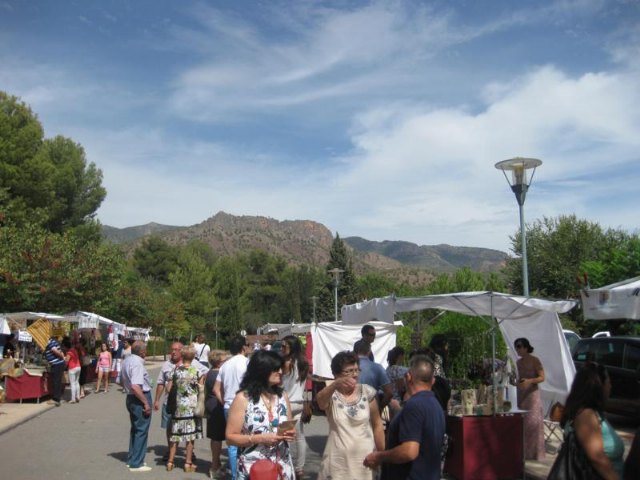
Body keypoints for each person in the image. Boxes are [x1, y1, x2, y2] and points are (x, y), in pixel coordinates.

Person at [364, 354, 446, 480]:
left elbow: (409, 451)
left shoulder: (414, 406)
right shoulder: (436, 404)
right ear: (433, 380)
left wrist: (380, 456)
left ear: (408, 377)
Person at [226, 350, 296, 480]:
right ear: (262, 370)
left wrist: (290, 434)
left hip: (282, 468)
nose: (280, 372)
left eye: (280, 368)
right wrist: (260, 438)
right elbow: (230, 437)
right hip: (254, 469)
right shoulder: (243, 398)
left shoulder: (282, 396)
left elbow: (289, 426)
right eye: (275, 369)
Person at [317, 350, 385, 480]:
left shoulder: (366, 392)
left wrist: (381, 454)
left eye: (356, 370)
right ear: (336, 374)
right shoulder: (330, 392)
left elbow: (377, 425)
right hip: (337, 461)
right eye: (348, 371)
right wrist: (335, 384)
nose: (354, 374)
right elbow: (320, 402)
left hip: (365, 459)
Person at [560, 362, 624, 479]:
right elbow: (597, 458)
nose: (610, 386)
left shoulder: (591, 413)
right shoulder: (586, 415)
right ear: (599, 386)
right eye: (608, 382)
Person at [154, 340, 208, 463]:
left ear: (182, 353)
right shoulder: (168, 365)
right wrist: (157, 400)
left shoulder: (181, 369)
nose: (173, 352)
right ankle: (185, 459)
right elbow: (161, 383)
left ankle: (172, 460)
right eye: (172, 349)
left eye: (176, 350)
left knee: (177, 429)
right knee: (178, 430)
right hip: (177, 404)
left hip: (179, 405)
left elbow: (168, 388)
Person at [213, 335, 249, 480]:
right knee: (247, 441)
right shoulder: (247, 363)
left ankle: (235, 475)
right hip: (245, 405)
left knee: (232, 444)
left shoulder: (225, 365)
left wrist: (224, 401)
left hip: (228, 406)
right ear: (243, 347)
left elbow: (216, 389)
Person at [165, 345, 205, 473]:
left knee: (175, 435)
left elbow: (168, 388)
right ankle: (188, 463)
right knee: (190, 437)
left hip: (178, 407)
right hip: (191, 407)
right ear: (193, 357)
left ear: (182, 356)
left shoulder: (175, 371)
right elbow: (201, 390)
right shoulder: (197, 372)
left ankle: (170, 462)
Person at [121, 340, 153, 472]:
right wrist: (145, 402)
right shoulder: (137, 363)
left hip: (130, 397)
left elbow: (120, 380)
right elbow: (135, 386)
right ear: (143, 352)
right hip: (139, 397)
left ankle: (132, 458)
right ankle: (137, 463)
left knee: (135, 429)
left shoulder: (127, 361)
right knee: (141, 430)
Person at [281, 335, 311, 479]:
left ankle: (284, 464)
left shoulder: (286, 363)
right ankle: (300, 468)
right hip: (299, 403)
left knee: (284, 436)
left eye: (284, 346)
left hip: (287, 404)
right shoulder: (303, 362)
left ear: (291, 347)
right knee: (299, 437)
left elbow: (280, 384)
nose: (281, 349)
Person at [514, 337, 545, 460]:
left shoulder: (535, 360)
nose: (517, 349)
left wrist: (530, 381)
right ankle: (523, 452)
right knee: (523, 423)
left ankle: (534, 453)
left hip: (532, 395)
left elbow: (542, 377)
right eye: (516, 347)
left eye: (519, 347)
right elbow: (519, 378)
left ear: (526, 348)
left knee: (533, 422)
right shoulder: (518, 362)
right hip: (521, 394)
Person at [205, 350, 230, 479]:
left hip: (211, 404)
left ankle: (216, 463)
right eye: (225, 360)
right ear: (219, 362)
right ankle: (214, 466)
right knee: (217, 438)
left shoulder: (210, 372)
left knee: (215, 437)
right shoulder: (217, 374)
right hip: (217, 405)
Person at [354, 339, 393, 410]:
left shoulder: (347, 368)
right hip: (371, 408)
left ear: (354, 352)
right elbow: (389, 392)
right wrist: (380, 407)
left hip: (351, 408)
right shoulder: (378, 368)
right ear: (369, 352)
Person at [386, 346, 408, 418]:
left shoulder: (388, 369)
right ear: (400, 356)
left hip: (390, 401)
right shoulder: (398, 369)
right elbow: (401, 388)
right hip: (399, 402)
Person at [44, 335, 66, 407]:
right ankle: (56, 397)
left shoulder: (51, 343)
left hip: (57, 364)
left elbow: (55, 350)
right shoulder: (54, 343)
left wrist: (62, 356)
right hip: (57, 364)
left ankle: (56, 399)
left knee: (56, 382)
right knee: (56, 381)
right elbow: (60, 351)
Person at [63, 338, 81, 404]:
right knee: (77, 382)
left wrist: (64, 364)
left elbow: (67, 361)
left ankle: (73, 399)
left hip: (72, 368)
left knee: (72, 383)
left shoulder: (69, 352)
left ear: (65, 346)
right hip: (78, 367)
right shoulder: (74, 350)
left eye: (64, 347)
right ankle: (78, 397)